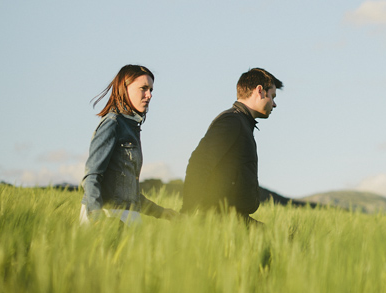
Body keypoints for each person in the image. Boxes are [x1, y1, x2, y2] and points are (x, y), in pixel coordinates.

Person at [181, 68, 283, 222]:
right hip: (220, 220)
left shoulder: (242, 123)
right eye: (272, 96)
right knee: (283, 241)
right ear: (260, 91)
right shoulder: (232, 121)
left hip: (233, 218)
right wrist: (186, 212)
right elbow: (199, 163)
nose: (274, 104)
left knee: (283, 239)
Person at [80, 64, 177, 225]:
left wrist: (163, 213)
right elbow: (92, 176)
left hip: (129, 218)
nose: (149, 95)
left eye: (151, 90)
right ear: (124, 89)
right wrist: (97, 216)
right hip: (108, 217)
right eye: (144, 88)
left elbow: (129, 191)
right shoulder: (112, 124)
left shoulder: (132, 128)